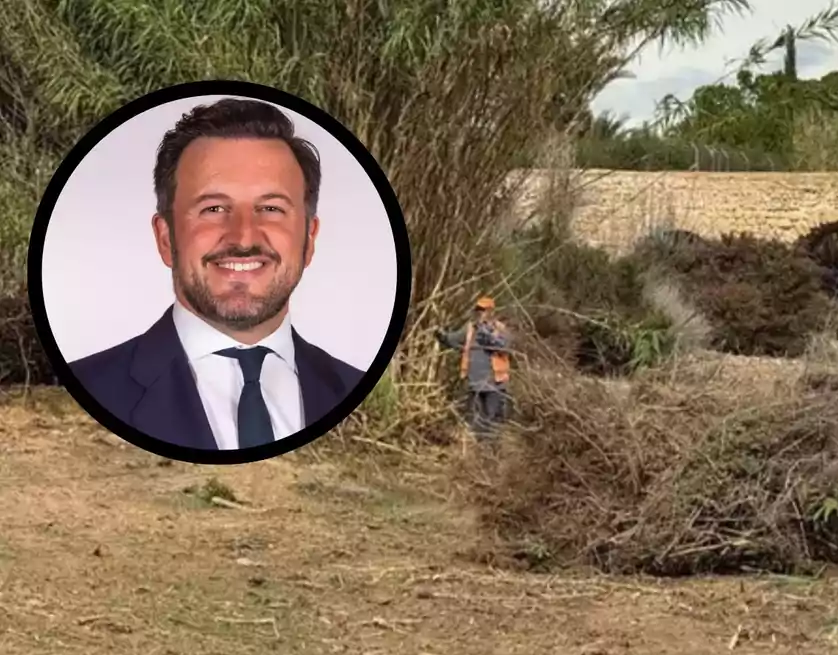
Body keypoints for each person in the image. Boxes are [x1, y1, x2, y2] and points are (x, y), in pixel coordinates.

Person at [67, 98, 363, 451]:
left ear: (309, 239)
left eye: (271, 209)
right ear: (166, 238)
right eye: (214, 208)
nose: (243, 238)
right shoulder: (85, 389)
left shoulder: (354, 390)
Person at [436, 296, 511, 436]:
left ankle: (493, 454)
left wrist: (486, 334)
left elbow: (504, 347)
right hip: (475, 383)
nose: (480, 313)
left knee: (491, 423)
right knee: (476, 423)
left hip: (494, 384)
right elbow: (454, 340)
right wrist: (442, 336)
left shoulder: (500, 329)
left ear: (491, 312)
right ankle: (480, 453)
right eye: (478, 310)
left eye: (483, 310)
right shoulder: (470, 329)